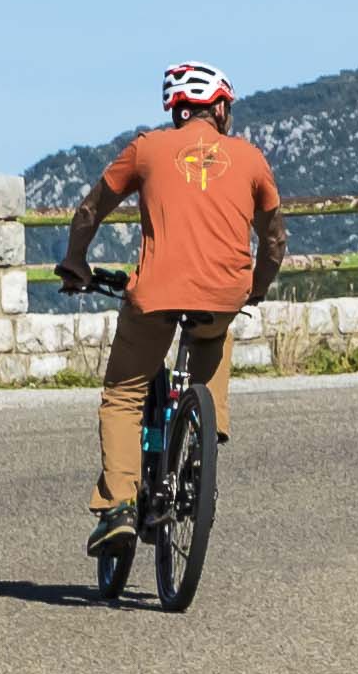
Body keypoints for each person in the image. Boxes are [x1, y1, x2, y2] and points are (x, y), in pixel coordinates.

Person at [61, 62, 285, 559]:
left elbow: (90, 209)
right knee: (215, 333)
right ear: (220, 108)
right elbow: (274, 241)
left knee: (123, 394)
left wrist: (75, 261)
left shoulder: (146, 149)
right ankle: (204, 442)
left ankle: (119, 506)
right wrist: (257, 289)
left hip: (155, 294)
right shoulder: (250, 158)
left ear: (177, 109)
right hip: (224, 295)